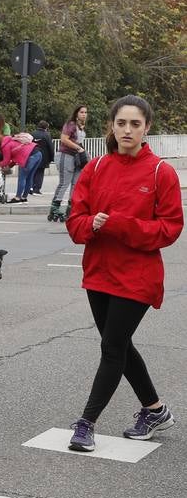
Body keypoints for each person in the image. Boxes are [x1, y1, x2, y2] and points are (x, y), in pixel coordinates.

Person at [65, 95, 182, 452]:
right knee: (119, 344)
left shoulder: (162, 172)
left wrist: (119, 225)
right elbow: (74, 222)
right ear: (112, 127)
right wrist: (93, 225)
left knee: (112, 347)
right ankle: (155, 410)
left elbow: (170, 229)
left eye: (135, 124)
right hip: (98, 272)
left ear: (147, 128)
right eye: (121, 123)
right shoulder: (96, 168)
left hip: (138, 277)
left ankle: (86, 424)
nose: (127, 130)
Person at [51, 105, 89, 222]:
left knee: (75, 184)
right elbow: (64, 139)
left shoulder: (81, 127)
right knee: (64, 183)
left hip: (76, 158)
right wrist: (78, 148)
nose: (84, 114)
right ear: (76, 113)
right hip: (65, 155)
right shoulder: (71, 124)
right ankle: (55, 208)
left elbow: (79, 143)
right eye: (81, 112)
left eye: (85, 112)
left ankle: (70, 207)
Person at [0, 130, 42, 202]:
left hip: (29, 157)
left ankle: (17, 198)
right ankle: (24, 197)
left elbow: (6, 161)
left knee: (22, 177)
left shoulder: (5, 146)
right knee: (29, 177)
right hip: (38, 154)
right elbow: (15, 157)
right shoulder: (12, 140)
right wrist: (9, 166)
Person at [31, 120, 54, 195]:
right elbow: (50, 147)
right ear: (46, 127)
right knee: (40, 173)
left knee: (32, 172)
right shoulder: (47, 135)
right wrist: (51, 158)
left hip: (32, 155)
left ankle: (30, 187)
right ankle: (36, 189)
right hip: (44, 157)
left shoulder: (32, 134)